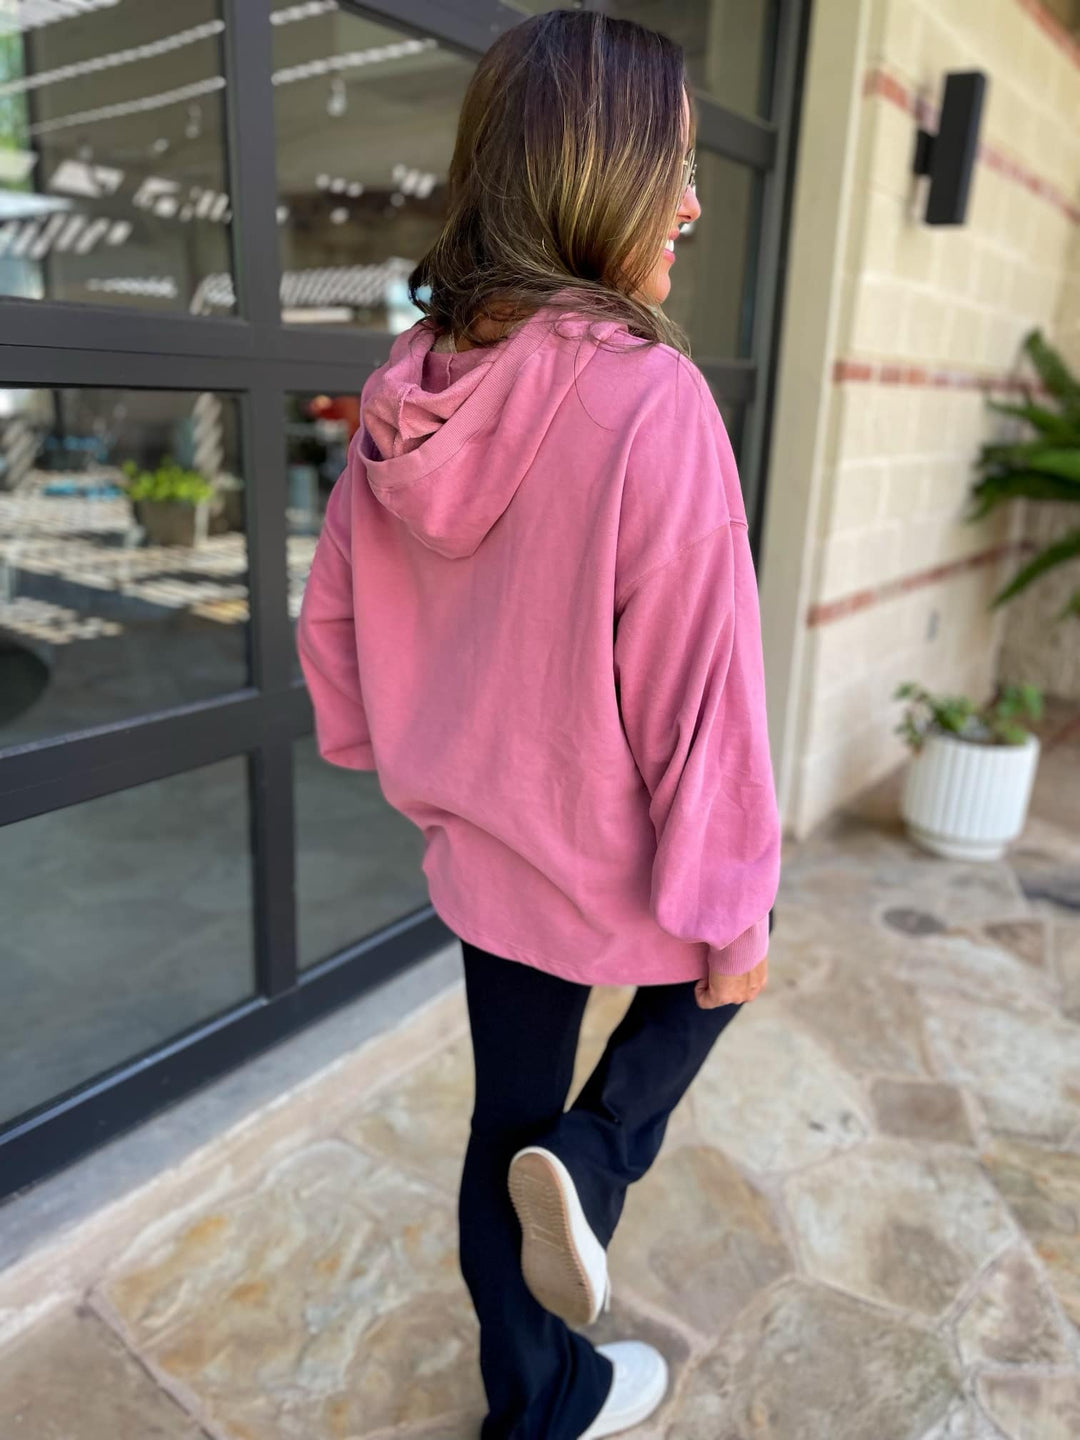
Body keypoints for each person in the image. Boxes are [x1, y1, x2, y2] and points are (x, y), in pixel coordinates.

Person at [296, 10, 781, 1438]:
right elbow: (703, 693)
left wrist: (392, 748)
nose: (690, 204)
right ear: (595, 172)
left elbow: (333, 615)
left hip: (484, 854)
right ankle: (600, 1152)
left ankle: (540, 1397)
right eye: (672, 168)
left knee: (493, 1127)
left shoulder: (409, 385)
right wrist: (732, 918)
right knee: (733, 942)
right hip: (604, 846)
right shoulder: (650, 400)